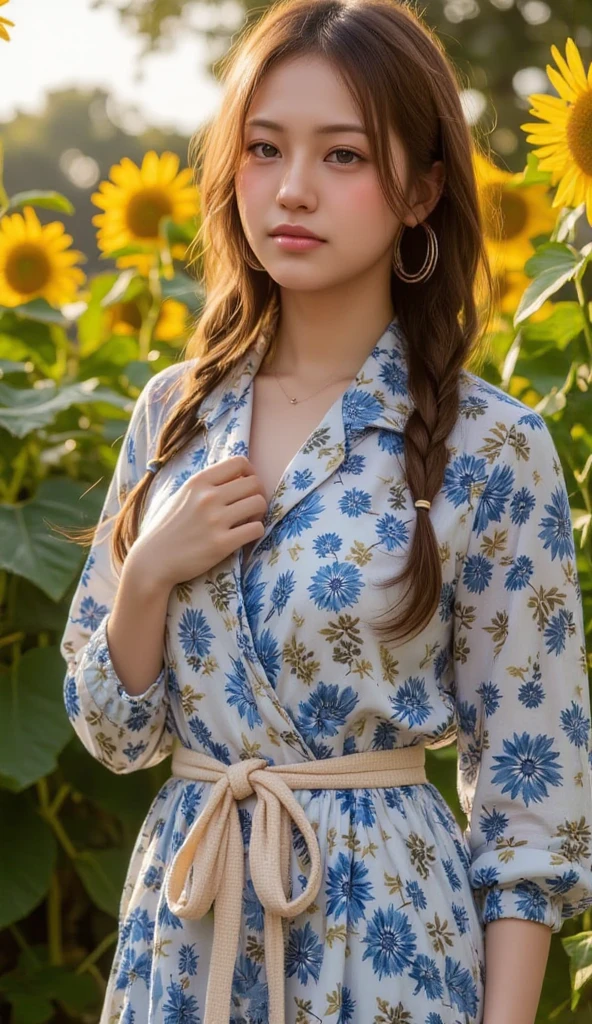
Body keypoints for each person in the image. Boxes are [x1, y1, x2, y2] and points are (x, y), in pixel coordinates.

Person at [59, 0, 592, 1021]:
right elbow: (111, 734)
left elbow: (533, 801)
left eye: (342, 156)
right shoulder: (171, 416)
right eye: (264, 149)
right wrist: (144, 576)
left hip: (385, 940)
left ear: (423, 190)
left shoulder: (494, 446)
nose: (293, 189)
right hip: (188, 932)